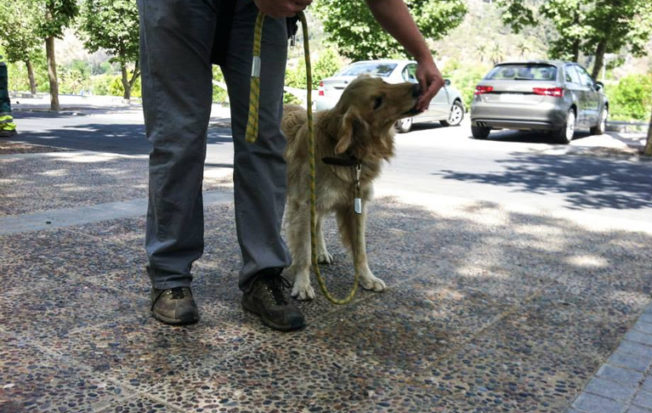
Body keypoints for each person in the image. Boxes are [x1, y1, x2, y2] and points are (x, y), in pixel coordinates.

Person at [137, 0, 444, 331]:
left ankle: (264, 273)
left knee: (265, 140)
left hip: (259, 13)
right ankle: (170, 277)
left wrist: (423, 55)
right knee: (177, 138)